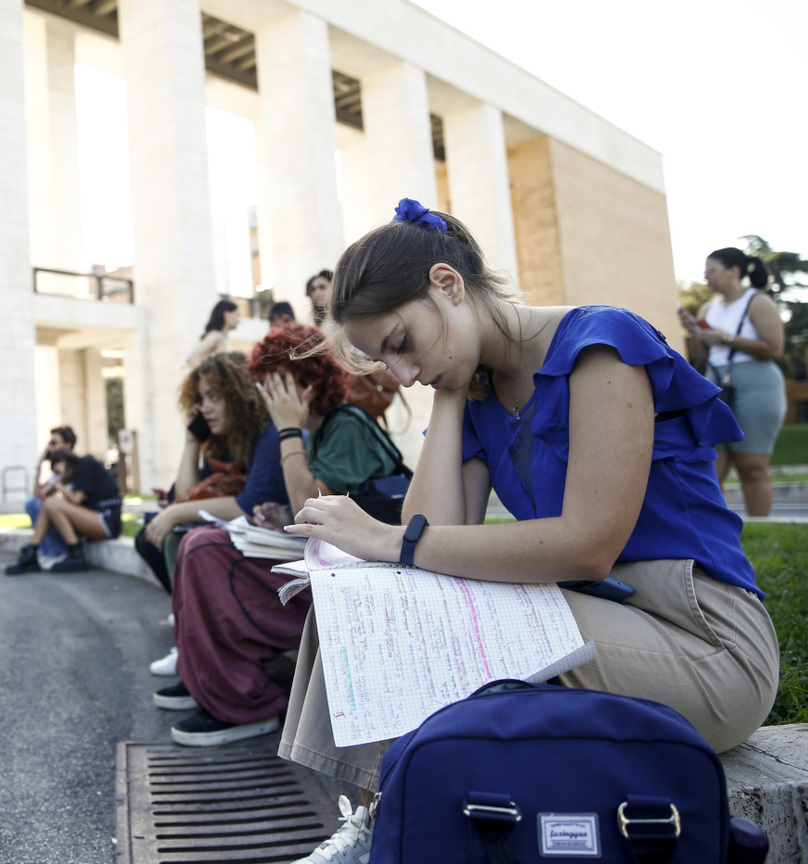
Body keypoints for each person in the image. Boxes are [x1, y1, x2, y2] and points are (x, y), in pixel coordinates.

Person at [278, 198, 779, 864]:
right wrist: (449, 389)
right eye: (385, 363)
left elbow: (587, 546)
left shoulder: (602, 345)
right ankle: (388, 814)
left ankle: (388, 825)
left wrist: (384, 537)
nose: (401, 374)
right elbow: (433, 540)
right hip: (603, 622)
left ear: (448, 285)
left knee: (416, 609)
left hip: (703, 640)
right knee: (373, 600)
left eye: (401, 344)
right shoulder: (479, 391)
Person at [154, 322, 407, 748]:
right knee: (199, 546)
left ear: (304, 383)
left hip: (368, 583)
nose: (263, 396)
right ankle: (209, 679)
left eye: (272, 385)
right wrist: (277, 516)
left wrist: (288, 430)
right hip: (336, 569)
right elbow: (305, 509)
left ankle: (242, 702)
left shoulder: (346, 424)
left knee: (203, 549)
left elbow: (314, 508)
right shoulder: (318, 430)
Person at [135, 353, 273, 595]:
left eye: (214, 397)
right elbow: (188, 494)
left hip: (266, 543)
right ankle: (188, 613)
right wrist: (192, 442)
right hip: (236, 537)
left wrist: (174, 513)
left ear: (239, 398)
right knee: (149, 538)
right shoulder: (222, 444)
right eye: (201, 399)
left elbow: (248, 506)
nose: (205, 408)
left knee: (178, 539)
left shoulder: (267, 436)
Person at [679, 248, 786, 516]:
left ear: (734, 271)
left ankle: (762, 526)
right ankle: (721, 532)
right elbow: (702, 354)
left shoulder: (758, 302)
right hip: (715, 383)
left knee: (752, 465)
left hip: (756, 384)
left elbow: (774, 348)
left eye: (711, 272)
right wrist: (696, 333)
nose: (707, 279)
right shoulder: (708, 308)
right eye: (704, 274)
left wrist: (726, 338)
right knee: (711, 467)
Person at [5, 448, 121, 574]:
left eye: (58, 471)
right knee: (48, 504)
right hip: (96, 519)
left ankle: (76, 555)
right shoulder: (75, 476)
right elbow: (39, 497)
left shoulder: (84, 464)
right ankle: (32, 551)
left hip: (107, 521)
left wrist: (58, 486)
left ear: (63, 461)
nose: (59, 476)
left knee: (51, 503)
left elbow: (76, 499)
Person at [26, 425, 78, 569]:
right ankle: (43, 551)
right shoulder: (57, 471)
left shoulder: (76, 466)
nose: (50, 447)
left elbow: (76, 499)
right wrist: (39, 465)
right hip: (60, 513)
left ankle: (56, 552)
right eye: (50, 443)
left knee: (43, 505)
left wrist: (57, 487)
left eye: (54, 443)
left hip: (73, 516)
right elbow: (37, 494)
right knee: (33, 504)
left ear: (67, 445)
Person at [186, 299, 240, 369]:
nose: (239, 320)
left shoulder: (222, 337)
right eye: (237, 315)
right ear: (227, 314)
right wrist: (209, 376)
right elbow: (192, 358)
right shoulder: (215, 336)